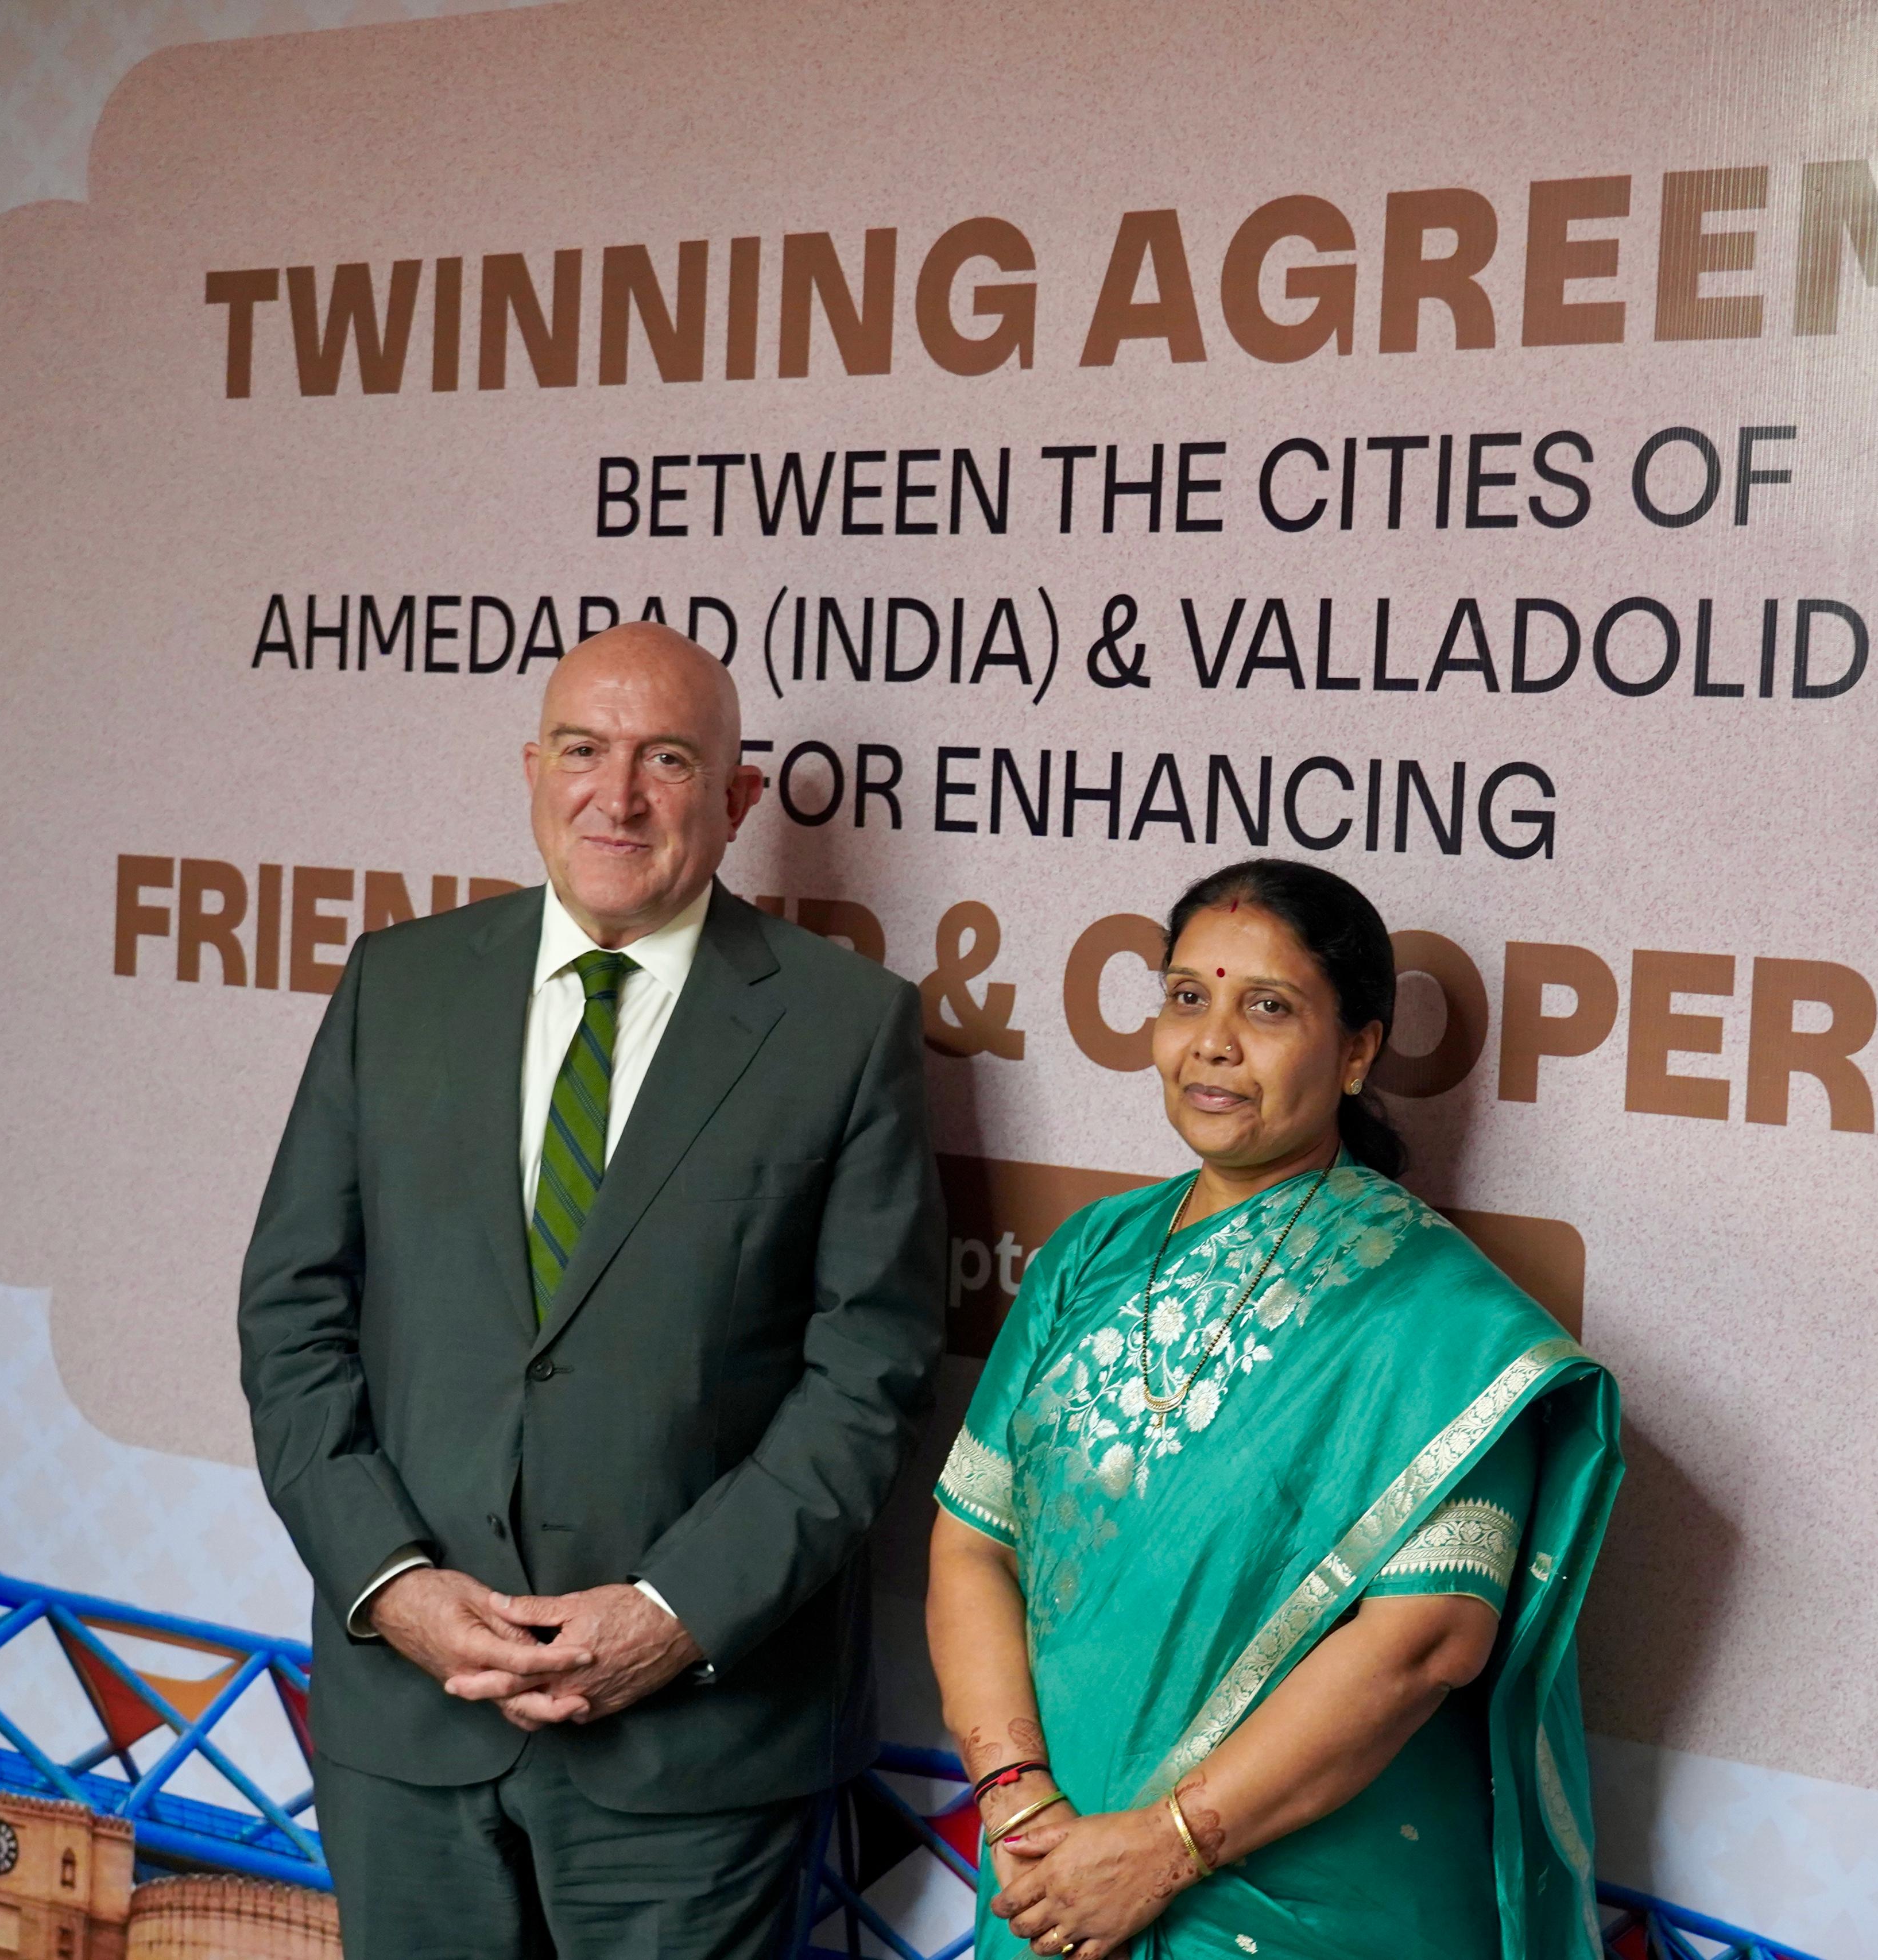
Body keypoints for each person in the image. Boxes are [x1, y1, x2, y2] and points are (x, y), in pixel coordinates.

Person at [238, 621, 946, 1958]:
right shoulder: (399, 986)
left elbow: (870, 1380)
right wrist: (391, 1583)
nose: (615, 798)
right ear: (532, 770)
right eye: (582, 750)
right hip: (409, 1728)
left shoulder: (846, 1028)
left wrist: (675, 1616)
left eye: (666, 760)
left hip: (696, 1753)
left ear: (736, 798)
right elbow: (293, 1316)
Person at [926, 860, 1621, 1960]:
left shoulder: (1441, 1322)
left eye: (1268, 1007)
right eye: (1186, 997)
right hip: (1048, 1885)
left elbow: (1426, 1644)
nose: (1212, 1042)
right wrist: (1018, 1804)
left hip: (1302, 1909)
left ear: (1357, 1052)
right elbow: (972, 1543)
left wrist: (1160, 1848)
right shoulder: (1085, 1260)